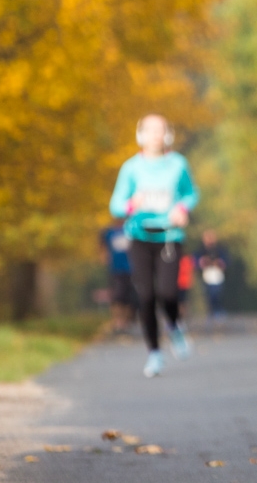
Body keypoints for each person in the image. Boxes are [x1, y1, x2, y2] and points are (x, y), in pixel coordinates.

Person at [109, 114, 200, 378]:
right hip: (139, 238)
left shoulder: (178, 164)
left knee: (168, 293)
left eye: (160, 130)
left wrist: (183, 208)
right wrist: (130, 205)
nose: (155, 135)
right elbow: (115, 203)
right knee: (146, 297)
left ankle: (174, 326)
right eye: (150, 130)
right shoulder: (131, 168)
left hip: (170, 237)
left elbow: (191, 193)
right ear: (141, 136)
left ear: (168, 135)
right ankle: (155, 354)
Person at [98, 224, 137, 334]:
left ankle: (126, 322)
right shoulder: (109, 232)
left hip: (132, 270)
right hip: (116, 270)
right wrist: (104, 257)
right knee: (117, 297)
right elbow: (102, 246)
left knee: (130, 298)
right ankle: (118, 322)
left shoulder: (132, 231)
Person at [196, 229, 229, 321]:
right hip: (206, 274)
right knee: (208, 294)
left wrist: (220, 263)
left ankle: (218, 311)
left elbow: (226, 260)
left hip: (217, 274)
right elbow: (195, 261)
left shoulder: (220, 249)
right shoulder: (201, 250)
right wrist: (202, 262)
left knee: (217, 293)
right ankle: (211, 312)